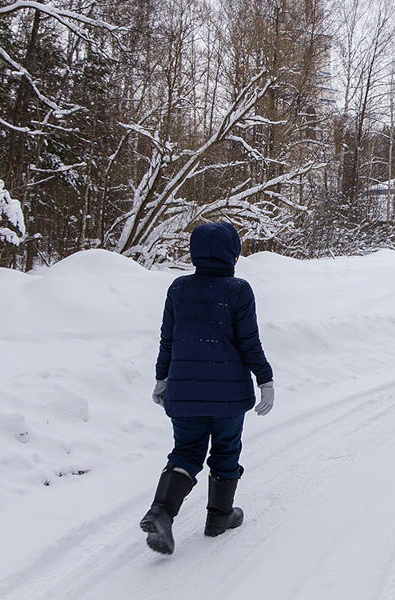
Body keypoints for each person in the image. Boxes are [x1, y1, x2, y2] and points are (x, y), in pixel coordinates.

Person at [140, 221, 275, 555]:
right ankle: (219, 517)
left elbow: (168, 340)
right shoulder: (238, 290)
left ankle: (161, 511)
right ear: (233, 253)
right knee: (226, 450)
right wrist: (265, 379)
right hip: (228, 396)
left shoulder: (178, 288)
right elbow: (249, 341)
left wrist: (162, 378)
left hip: (184, 391)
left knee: (186, 451)